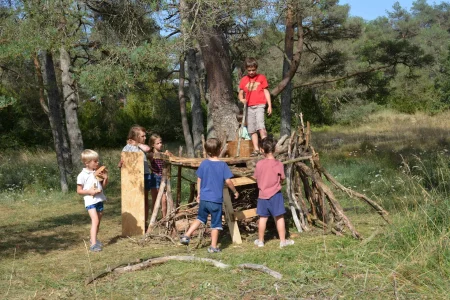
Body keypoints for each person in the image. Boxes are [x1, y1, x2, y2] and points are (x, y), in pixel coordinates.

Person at [180, 138, 239, 253]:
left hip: (204, 199)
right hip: (215, 200)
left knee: (200, 218)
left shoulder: (204, 163)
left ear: (206, 151)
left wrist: (199, 194)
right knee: (215, 224)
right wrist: (235, 191)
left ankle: (186, 235)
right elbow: (228, 181)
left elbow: (199, 179)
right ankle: (213, 247)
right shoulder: (222, 165)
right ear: (220, 149)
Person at [253, 137, 294, 248]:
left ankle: (261, 241)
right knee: (279, 217)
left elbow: (256, 177)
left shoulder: (259, 164)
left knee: (262, 218)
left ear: (262, 150)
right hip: (275, 194)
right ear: (275, 149)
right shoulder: (278, 164)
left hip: (262, 195)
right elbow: (282, 178)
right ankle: (283, 241)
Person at [238, 57, 272, 156]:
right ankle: (256, 149)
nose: (252, 72)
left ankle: (265, 148)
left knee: (261, 126)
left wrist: (269, 105)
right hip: (249, 107)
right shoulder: (244, 80)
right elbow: (240, 93)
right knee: (251, 129)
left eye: (253, 70)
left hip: (260, 105)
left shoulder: (261, 78)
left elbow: (266, 91)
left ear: (256, 68)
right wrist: (241, 99)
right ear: (246, 69)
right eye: (249, 70)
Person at [77, 149, 108, 252]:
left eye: (97, 160)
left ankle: (93, 239)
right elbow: (79, 190)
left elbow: (103, 187)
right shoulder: (82, 175)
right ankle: (94, 245)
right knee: (95, 220)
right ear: (87, 163)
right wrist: (89, 191)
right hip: (90, 201)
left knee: (98, 221)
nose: (97, 162)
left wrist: (105, 178)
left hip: (99, 199)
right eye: (95, 161)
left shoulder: (98, 172)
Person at [118, 125, 151, 223]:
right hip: (134, 177)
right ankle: (134, 222)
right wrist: (121, 164)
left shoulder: (141, 146)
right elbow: (124, 160)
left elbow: (147, 149)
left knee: (144, 199)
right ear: (135, 137)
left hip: (145, 174)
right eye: (142, 136)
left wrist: (138, 144)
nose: (145, 138)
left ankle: (144, 222)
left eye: (145, 136)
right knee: (135, 199)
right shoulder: (127, 148)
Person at [148, 133, 172, 218]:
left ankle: (164, 218)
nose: (160, 145)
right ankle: (153, 218)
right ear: (152, 145)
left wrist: (169, 155)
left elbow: (170, 159)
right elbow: (152, 157)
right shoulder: (151, 154)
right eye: (157, 143)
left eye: (161, 142)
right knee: (155, 199)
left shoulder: (163, 153)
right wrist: (164, 155)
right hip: (155, 177)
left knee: (164, 199)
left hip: (163, 177)